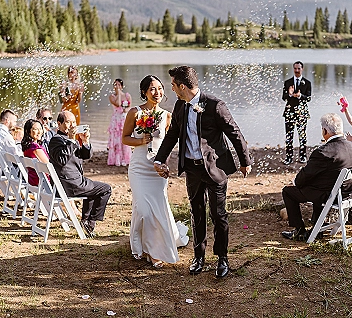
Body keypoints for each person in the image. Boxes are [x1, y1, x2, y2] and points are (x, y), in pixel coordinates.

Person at [153, 66, 252, 279]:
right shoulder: (180, 105)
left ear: (182, 86)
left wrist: (245, 161)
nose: (171, 89)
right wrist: (159, 158)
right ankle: (199, 257)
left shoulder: (215, 106)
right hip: (192, 169)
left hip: (215, 169)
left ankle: (222, 258)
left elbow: (235, 133)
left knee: (219, 215)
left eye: (173, 85)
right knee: (196, 213)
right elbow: (172, 136)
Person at [122, 75, 189, 268]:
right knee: (143, 208)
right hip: (139, 167)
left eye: (160, 88)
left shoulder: (167, 116)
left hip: (156, 170)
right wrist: (141, 141)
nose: (157, 92)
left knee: (157, 208)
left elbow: (167, 145)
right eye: (152, 89)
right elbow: (125, 138)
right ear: (144, 92)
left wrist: (164, 165)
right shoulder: (135, 112)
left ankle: (153, 250)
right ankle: (144, 245)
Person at [281, 113, 352, 241]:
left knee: (288, 192)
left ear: (325, 131)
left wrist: (295, 183)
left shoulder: (324, 151)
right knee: (318, 184)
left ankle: (299, 231)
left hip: (331, 195)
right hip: (348, 192)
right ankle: (317, 228)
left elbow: (305, 175)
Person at [48, 111, 112, 237]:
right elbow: (62, 160)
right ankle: (90, 223)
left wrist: (85, 141)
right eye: (68, 122)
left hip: (73, 182)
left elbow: (85, 156)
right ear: (59, 124)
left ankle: (86, 221)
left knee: (94, 189)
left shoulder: (70, 139)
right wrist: (72, 140)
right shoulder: (56, 140)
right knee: (105, 189)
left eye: (74, 122)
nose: (72, 125)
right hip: (69, 185)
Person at [282, 61, 312, 164]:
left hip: (302, 113)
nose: (297, 70)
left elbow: (308, 98)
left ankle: (303, 156)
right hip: (289, 112)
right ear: (293, 69)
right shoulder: (287, 82)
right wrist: (289, 94)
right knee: (289, 136)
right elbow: (283, 98)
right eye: (295, 68)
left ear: (302, 69)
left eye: (299, 69)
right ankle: (289, 157)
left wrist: (300, 96)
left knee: (302, 135)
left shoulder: (307, 83)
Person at [108, 78, 132, 166]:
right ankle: (116, 159)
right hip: (116, 119)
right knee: (116, 139)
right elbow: (118, 104)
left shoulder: (127, 95)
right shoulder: (112, 96)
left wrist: (126, 110)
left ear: (122, 86)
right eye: (115, 85)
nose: (117, 87)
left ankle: (125, 158)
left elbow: (130, 106)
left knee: (124, 137)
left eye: (119, 85)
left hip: (123, 118)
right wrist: (118, 94)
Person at [21, 119, 49, 186]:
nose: (39, 132)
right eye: (36, 129)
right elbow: (48, 166)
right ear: (28, 131)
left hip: (32, 179)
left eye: (40, 129)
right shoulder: (35, 147)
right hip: (42, 181)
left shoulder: (28, 146)